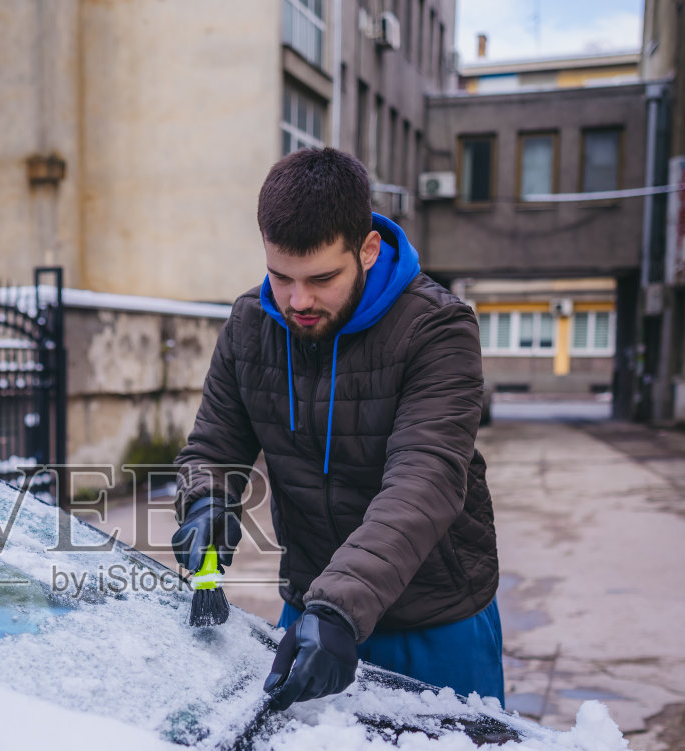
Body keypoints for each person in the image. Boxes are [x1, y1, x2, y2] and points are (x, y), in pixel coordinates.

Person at [172, 147, 502, 712]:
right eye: (281, 277)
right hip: (313, 615)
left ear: (367, 250)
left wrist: (340, 606)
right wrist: (207, 499)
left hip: (433, 621)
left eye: (322, 278)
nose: (298, 301)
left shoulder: (438, 329)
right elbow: (214, 445)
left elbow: (425, 480)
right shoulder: (251, 323)